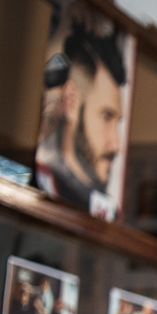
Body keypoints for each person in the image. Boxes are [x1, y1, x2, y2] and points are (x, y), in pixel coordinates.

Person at [34, 20, 127, 218]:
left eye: (116, 122)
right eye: (106, 117)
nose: (115, 145)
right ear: (70, 101)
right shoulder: (35, 178)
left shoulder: (106, 209)